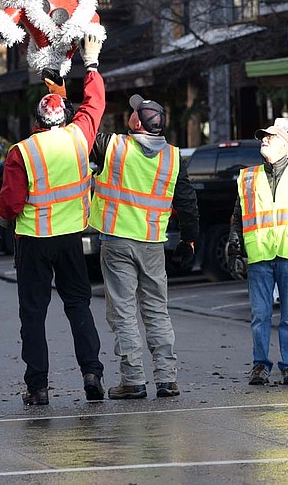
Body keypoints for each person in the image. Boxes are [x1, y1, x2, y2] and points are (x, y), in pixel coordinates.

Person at [0, 34, 106, 406]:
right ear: (65, 117)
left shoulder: (22, 151)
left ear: (38, 120)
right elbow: (94, 104)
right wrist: (90, 63)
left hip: (32, 241)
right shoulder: (79, 138)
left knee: (34, 316)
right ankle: (92, 372)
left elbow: (11, 202)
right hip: (71, 239)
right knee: (79, 307)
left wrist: (1, 221)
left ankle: (38, 387)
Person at [89, 94, 200, 400]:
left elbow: (81, 130)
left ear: (137, 122)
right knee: (156, 311)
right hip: (152, 243)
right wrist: (190, 239)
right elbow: (187, 201)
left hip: (116, 241)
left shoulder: (112, 145)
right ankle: (167, 379)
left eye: (133, 111)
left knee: (123, 312)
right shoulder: (173, 157)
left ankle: (133, 380)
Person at [226, 121, 288, 386]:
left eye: (270, 137)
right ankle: (260, 365)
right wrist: (235, 246)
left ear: (285, 145)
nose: (265, 140)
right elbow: (238, 216)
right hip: (259, 254)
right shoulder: (248, 176)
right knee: (260, 315)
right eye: (263, 137)